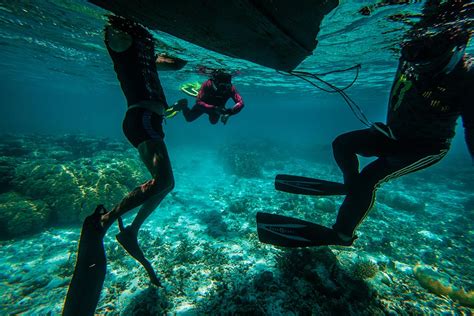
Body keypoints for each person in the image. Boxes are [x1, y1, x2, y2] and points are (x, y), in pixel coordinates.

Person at [256, 1, 473, 247]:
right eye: (413, 58)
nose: (418, 66)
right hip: (393, 133)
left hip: (423, 148)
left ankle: (342, 234)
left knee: (369, 180)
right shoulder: (415, 49)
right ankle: (353, 187)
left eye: (428, 63)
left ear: (456, 49)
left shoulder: (467, 76)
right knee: (343, 144)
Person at [100, 15, 187, 285]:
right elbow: (115, 36)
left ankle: (131, 232)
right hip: (142, 120)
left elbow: (175, 64)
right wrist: (119, 26)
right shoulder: (123, 39)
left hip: (151, 121)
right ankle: (107, 220)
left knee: (166, 184)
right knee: (164, 181)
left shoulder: (143, 52)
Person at [173, 71, 244, 125]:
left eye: (227, 86)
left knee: (213, 122)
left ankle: (213, 110)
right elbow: (198, 102)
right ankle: (183, 104)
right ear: (214, 83)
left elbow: (241, 103)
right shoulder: (207, 84)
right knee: (189, 118)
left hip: (217, 108)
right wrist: (214, 108)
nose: (224, 89)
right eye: (222, 86)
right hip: (203, 105)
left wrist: (229, 113)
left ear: (230, 85)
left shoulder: (231, 88)